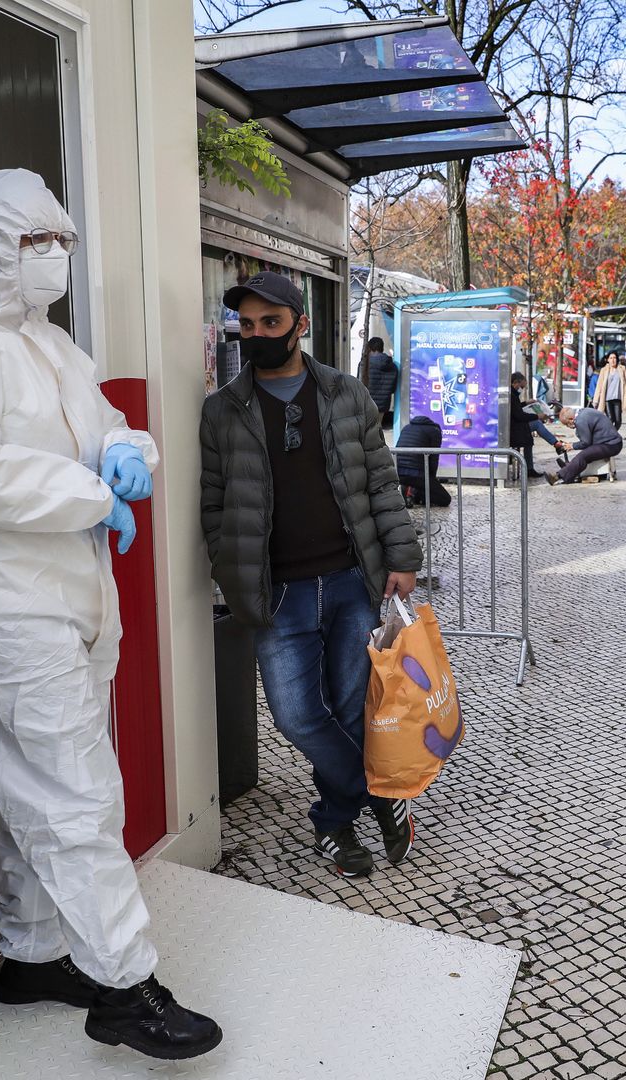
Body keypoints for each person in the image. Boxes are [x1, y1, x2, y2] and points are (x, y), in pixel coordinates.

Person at [0, 169, 221, 1058]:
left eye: (61, 241)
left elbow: (106, 420)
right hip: (1, 601)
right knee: (72, 793)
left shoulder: (50, 343)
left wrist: (123, 453)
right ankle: (125, 984)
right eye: (37, 242)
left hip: (71, 591)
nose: (56, 258)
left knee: (31, 786)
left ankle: (32, 955)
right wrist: (85, 492)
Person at [201, 270, 423, 882]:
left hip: (352, 582)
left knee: (351, 710)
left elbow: (380, 482)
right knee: (297, 717)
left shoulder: (346, 395)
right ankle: (380, 794)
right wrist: (233, 572)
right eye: (246, 326)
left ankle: (332, 823)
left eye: (270, 323)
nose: (257, 335)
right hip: (278, 596)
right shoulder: (222, 411)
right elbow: (214, 505)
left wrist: (402, 559)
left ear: (300, 324)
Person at [547, 405, 623, 484]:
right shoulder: (583, 412)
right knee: (586, 454)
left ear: (571, 419)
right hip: (611, 442)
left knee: (583, 456)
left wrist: (572, 446)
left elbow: (585, 443)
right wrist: (572, 445)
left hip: (610, 445)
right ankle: (569, 469)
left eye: (567, 424)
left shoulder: (580, 421)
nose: (568, 426)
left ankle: (557, 476)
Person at [395, 413, 452, 507]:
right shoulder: (434, 431)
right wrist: (431, 479)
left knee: (418, 485)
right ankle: (417, 496)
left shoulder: (407, 427)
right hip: (417, 474)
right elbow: (434, 458)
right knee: (445, 499)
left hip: (398, 471)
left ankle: (409, 495)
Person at [359, 336, 400, 430]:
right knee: (377, 428)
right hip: (383, 404)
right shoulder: (392, 366)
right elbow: (393, 388)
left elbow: (359, 382)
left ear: (370, 348)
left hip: (367, 402)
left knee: (365, 430)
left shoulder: (365, 363)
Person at [592, 351, 626, 428]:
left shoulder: (622, 369)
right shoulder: (604, 370)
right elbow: (599, 385)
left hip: (618, 398)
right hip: (607, 398)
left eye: (614, 358)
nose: (613, 360)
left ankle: (611, 435)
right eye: (611, 358)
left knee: (618, 421)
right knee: (610, 419)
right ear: (607, 360)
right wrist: (596, 400)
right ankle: (610, 437)